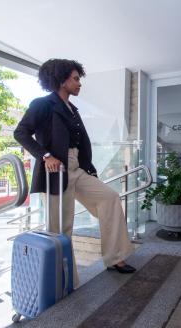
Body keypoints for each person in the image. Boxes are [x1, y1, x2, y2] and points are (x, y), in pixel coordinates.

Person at [14, 59, 135, 288]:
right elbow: (20, 133)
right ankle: (62, 281)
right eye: (76, 79)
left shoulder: (72, 109)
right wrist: (45, 156)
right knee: (61, 228)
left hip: (76, 169)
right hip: (55, 171)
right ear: (61, 80)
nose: (80, 84)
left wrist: (87, 165)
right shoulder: (43, 104)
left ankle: (115, 257)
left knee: (109, 198)